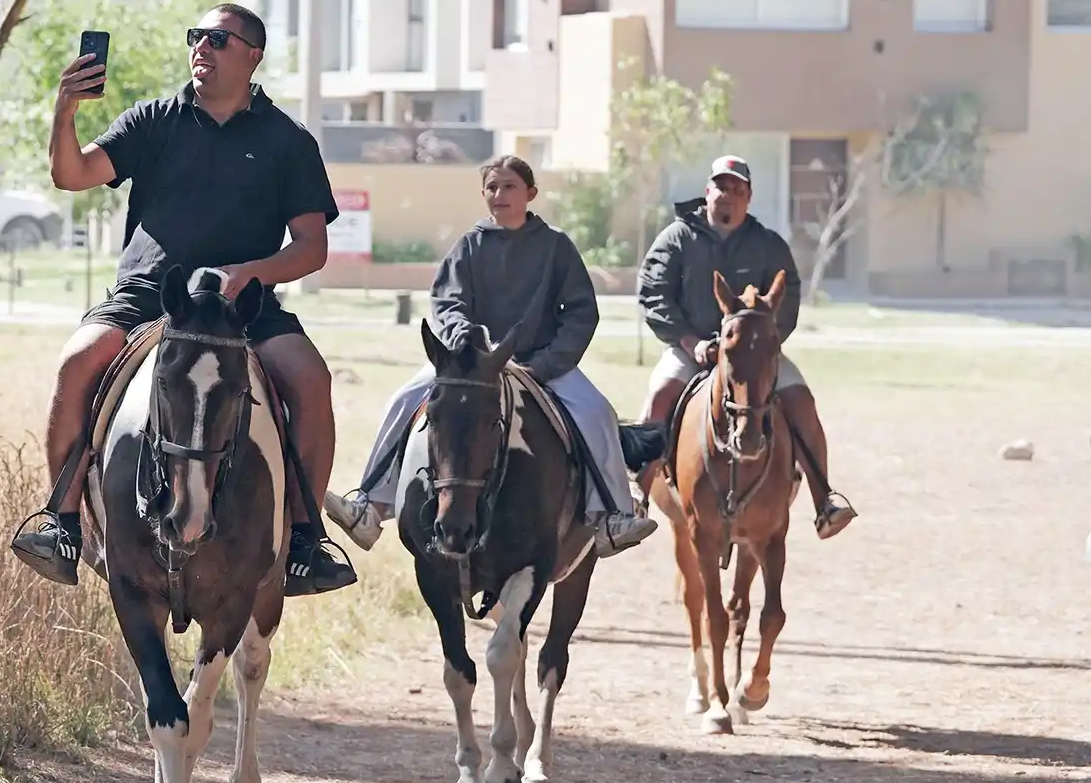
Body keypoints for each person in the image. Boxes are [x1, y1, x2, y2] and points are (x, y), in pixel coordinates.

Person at [12, 3, 357, 597]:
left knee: (312, 380)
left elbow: (310, 248)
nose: (203, 47)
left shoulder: (288, 141)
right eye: (197, 37)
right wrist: (63, 110)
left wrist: (250, 273)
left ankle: (305, 539)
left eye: (220, 39)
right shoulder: (153, 120)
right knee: (77, 360)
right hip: (150, 296)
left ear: (253, 55)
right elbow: (72, 174)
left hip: (243, 307)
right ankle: (61, 522)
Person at [322, 155, 660, 557]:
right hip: (472, 366)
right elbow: (448, 303)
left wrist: (548, 363)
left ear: (531, 193)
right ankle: (371, 506)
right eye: (492, 187)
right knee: (402, 401)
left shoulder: (556, 247)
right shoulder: (468, 246)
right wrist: (468, 344)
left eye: (510, 186)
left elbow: (581, 312)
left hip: (542, 366)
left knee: (596, 411)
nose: (499, 194)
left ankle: (612, 518)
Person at [632, 154, 857, 540]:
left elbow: (788, 300)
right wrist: (690, 342)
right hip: (691, 349)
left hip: (754, 358)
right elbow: (653, 295)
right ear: (707, 192)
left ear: (748, 198)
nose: (728, 195)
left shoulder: (767, 245)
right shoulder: (676, 238)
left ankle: (824, 499)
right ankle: (636, 492)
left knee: (801, 401)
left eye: (737, 189)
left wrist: (763, 350)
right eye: (721, 186)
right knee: (661, 395)